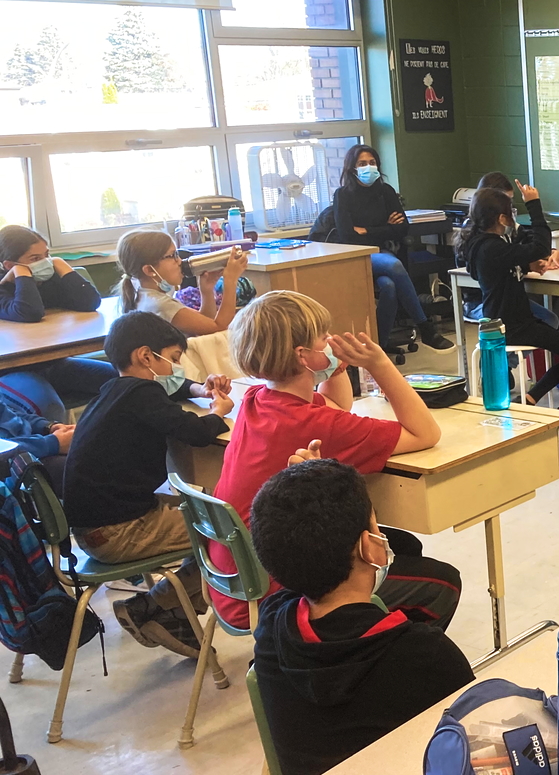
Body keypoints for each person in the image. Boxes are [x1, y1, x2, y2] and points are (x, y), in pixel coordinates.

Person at [212, 290, 458, 633]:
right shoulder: (314, 424)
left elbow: (335, 408)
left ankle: (368, 636)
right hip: (275, 590)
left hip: (239, 578)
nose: (331, 341)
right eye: (323, 338)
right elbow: (425, 433)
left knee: (403, 547)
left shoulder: (258, 398)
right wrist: (379, 364)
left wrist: (334, 369)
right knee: (443, 584)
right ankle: (377, 655)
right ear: (303, 356)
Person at [251, 458, 474, 775]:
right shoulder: (425, 654)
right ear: (368, 547)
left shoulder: (272, 627)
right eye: (376, 523)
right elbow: (472, 749)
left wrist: (312, 495)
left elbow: (296, 548)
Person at [65, 312, 233, 658]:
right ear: (146, 356)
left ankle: (166, 612)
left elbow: (170, 393)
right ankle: (154, 607)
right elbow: (196, 432)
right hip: (119, 531)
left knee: (212, 517)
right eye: (173, 359)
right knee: (232, 533)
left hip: (99, 526)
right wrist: (221, 410)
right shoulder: (142, 394)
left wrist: (199, 389)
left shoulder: (116, 390)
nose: (176, 368)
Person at [456, 185, 559, 430]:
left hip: (512, 319)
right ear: (501, 218)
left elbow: (506, 268)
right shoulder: (491, 247)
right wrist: (534, 204)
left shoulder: (487, 244)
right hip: (509, 325)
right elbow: (540, 246)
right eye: (510, 212)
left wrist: (527, 265)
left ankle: (532, 398)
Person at [327, 144, 455, 361]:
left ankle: (379, 348)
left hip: (383, 251)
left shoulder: (386, 192)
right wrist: (384, 229)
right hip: (357, 256)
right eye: (362, 164)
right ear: (352, 168)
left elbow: (402, 228)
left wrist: (367, 230)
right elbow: (348, 235)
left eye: (372, 162)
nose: (368, 167)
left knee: (389, 286)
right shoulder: (343, 196)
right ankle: (425, 326)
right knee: (394, 265)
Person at [0, 227, 116, 423]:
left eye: (47, 255)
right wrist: (21, 276)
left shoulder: (48, 279)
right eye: (35, 259)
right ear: (9, 265)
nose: (45, 263)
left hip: (55, 364)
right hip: (13, 370)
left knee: (122, 380)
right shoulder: (3, 288)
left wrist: (62, 266)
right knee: (49, 406)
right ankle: (56, 450)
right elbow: (30, 312)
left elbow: (90, 302)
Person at [116, 229, 249, 337]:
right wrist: (230, 280)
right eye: (172, 256)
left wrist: (206, 291)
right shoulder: (161, 305)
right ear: (150, 270)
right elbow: (219, 328)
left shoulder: (145, 295)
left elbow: (204, 325)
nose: (179, 261)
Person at [476, 170, 559, 330]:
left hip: (508, 299)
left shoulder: (509, 228)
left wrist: (550, 252)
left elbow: (531, 246)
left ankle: (522, 354)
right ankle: (512, 355)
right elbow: (532, 249)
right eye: (504, 202)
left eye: (510, 202)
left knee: (550, 320)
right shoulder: (482, 239)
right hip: (484, 302)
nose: (509, 208)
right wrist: (533, 204)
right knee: (545, 325)